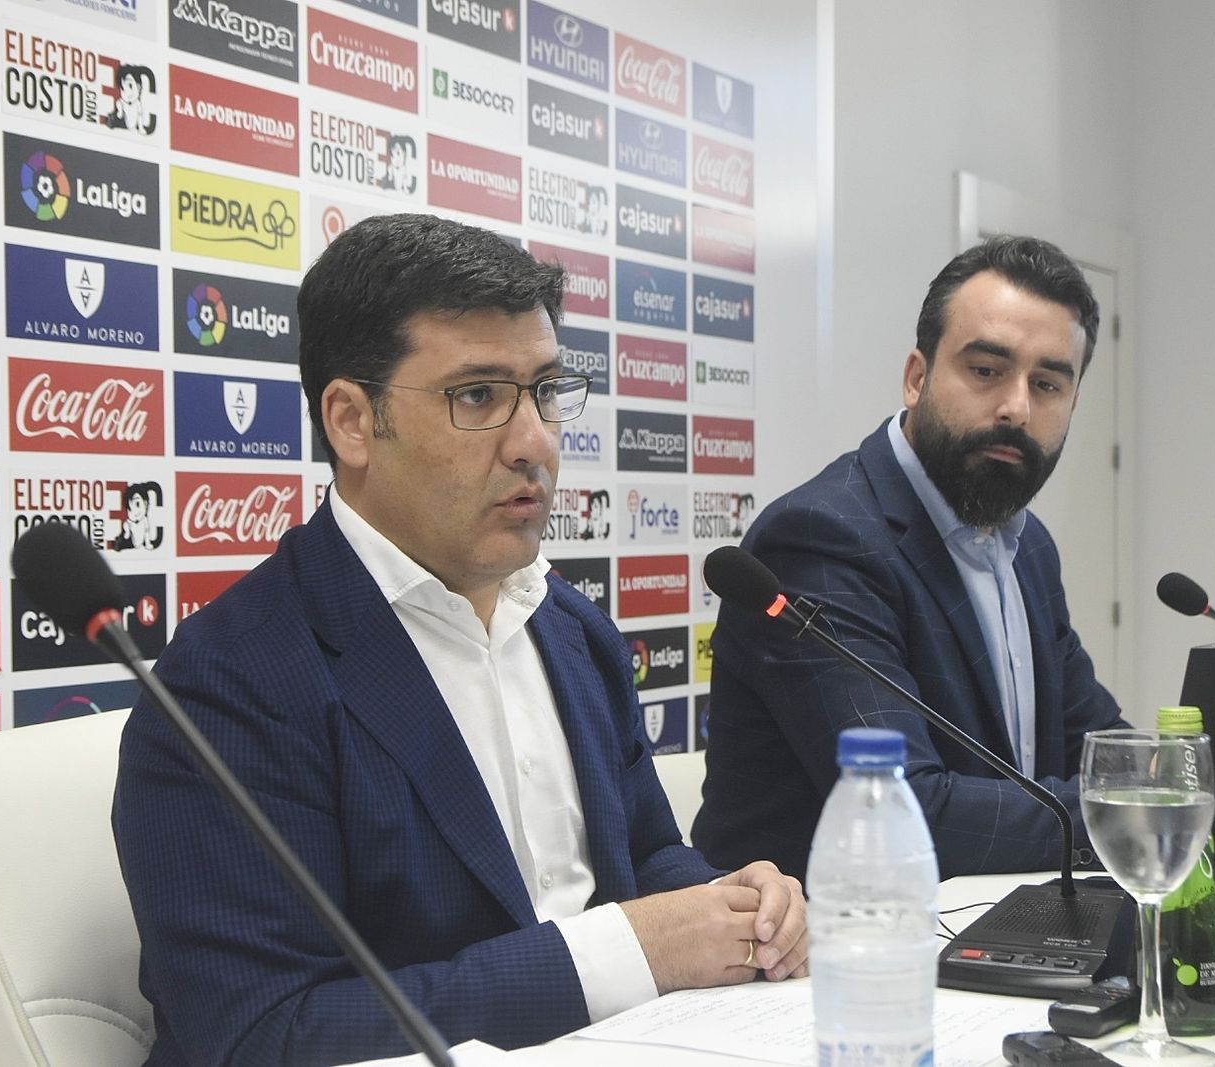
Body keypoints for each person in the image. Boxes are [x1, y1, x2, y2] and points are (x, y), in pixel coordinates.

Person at [113, 213, 806, 1067]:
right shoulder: (227, 686)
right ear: (352, 421)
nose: (535, 443)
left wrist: (734, 906)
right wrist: (632, 949)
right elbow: (263, 1035)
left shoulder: (569, 629)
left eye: (546, 392)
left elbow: (646, 853)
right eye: (478, 396)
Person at [692, 235, 1128, 882]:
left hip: (980, 932)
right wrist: (1131, 817)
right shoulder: (820, 538)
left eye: (1047, 384)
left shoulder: (1027, 546)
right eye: (986, 370)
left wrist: (1181, 781)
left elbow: (1094, 745)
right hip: (811, 957)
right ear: (917, 377)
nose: (1016, 406)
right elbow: (909, 812)